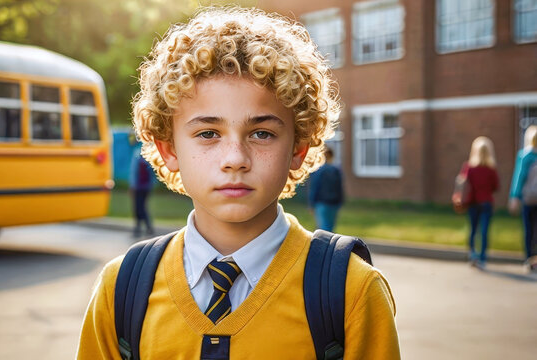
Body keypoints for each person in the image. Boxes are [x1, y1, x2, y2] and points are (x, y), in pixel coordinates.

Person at [77, 7, 399, 359]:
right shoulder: (120, 290)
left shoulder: (351, 290)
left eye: (262, 133)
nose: (235, 157)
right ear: (168, 149)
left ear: (298, 148)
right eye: (208, 133)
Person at [462, 136, 499, 269]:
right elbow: (496, 186)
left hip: (473, 202)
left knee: (473, 229)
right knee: (484, 231)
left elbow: (463, 184)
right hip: (486, 202)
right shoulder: (491, 169)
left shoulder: (469, 168)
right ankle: (482, 258)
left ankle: (473, 254)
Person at [509, 125, 537, 272]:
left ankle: (529, 258)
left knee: (529, 229)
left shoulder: (525, 156)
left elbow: (519, 178)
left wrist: (514, 197)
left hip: (528, 199)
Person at [308, 147, 344, 231]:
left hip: (322, 203)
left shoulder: (319, 171)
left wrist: (311, 204)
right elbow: (340, 188)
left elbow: (315, 188)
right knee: (330, 227)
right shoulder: (336, 170)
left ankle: (326, 244)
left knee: (323, 228)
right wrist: (340, 202)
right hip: (334, 203)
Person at [129, 139, 155, 237]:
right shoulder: (148, 156)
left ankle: (142, 227)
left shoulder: (136, 154)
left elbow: (133, 172)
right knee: (141, 206)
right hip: (145, 186)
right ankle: (142, 227)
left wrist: (132, 186)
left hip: (140, 186)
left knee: (139, 207)